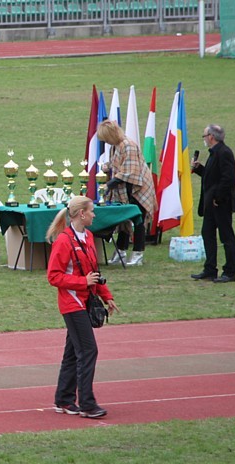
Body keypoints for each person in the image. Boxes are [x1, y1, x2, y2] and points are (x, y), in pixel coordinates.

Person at [46, 195, 119, 419]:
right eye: (92, 211)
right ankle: (87, 404)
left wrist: (106, 296)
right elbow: (53, 276)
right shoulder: (64, 241)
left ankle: (64, 399)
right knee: (88, 350)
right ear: (81, 214)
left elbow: (93, 271)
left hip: (85, 301)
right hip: (72, 303)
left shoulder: (87, 236)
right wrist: (81, 283)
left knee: (72, 353)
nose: (94, 214)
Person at [96, 119, 156, 266]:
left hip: (138, 188)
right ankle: (121, 251)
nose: (106, 142)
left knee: (138, 220)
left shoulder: (128, 146)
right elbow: (116, 163)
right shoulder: (115, 146)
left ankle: (138, 254)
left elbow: (130, 173)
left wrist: (110, 184)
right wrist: (107, 166)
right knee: (123, 220)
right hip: (125, 188)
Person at [190, 124, 235, 283]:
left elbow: (228, 179)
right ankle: (210, 269)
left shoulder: (224, 153)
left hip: (220, 203)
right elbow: (212, 177)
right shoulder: (214, 154)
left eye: (204, 136)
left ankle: (230, 271)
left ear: (211, 136)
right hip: (211, 203)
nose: (204, 139)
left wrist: (219, 197)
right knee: (207, 234)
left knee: (226, 237)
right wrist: (199, 169)